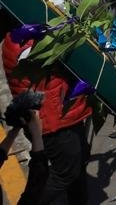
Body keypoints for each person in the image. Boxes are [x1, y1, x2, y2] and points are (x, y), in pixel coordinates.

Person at [3, 31, 92, 205]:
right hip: (53, 121)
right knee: (64, 174)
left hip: (61, 114)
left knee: (78, 164)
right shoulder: (27, 42)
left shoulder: (25, 35)